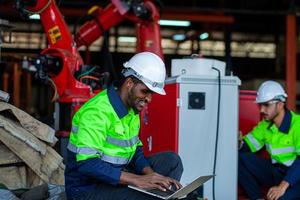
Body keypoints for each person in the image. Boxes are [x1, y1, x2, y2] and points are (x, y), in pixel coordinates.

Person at [64, 52, 183, 200]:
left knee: (172, 161)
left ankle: (161, 194)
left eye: (151, 94)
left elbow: (135, 150)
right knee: (150, 197)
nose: (149, 99)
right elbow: (87, 164)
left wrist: (150, 175)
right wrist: (137, 180)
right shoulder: (97, 112)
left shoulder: (132, 110)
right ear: (129, 83)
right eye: (145, 91)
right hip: (87, 189)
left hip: (116, 176)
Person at [238, 80, 300, 200]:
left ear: (280, 104)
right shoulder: (264, 125)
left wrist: (282, 187)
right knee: (239, 158)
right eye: (260, 105)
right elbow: (248, 145)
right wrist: (239, 143)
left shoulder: (297, 125)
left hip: (295, 177)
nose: (261, 110)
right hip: (276, 172)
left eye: (266, 105)